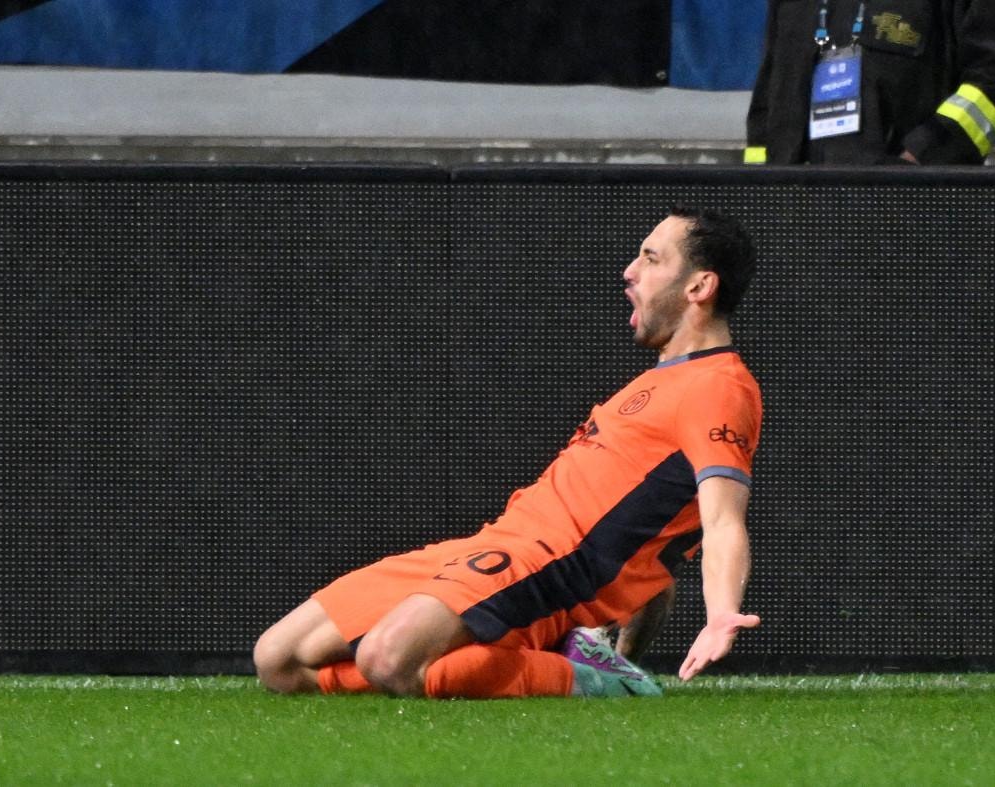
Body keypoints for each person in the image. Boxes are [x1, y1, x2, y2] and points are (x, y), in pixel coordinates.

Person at [253, 206, 763, 699]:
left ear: (699, 287)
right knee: (279, 660)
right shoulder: (660, 381)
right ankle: (553, 656)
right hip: (499, 542)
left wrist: (721, 613)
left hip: (549, 565)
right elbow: (650, 533)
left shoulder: (717, 387)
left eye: (651, 259)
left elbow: (721, 520)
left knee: (389, 658)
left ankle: (585, 676)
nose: (630, 271)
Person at [745, 0, 995, 165]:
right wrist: (757, 195)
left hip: (908, 205)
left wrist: (922, 156)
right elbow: (767, 99)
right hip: (792, 205)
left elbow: (989, 81)